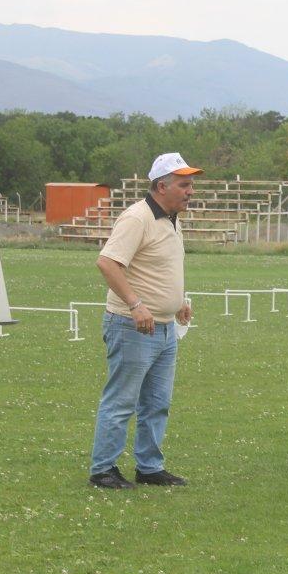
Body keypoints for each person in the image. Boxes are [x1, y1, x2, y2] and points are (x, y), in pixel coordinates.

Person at [87, 152, 199, 489]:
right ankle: (103, 470)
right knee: (121, 401)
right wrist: (136, 305)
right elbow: (107, 263)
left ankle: (149, 467)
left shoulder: (170, 218)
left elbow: (157, 268)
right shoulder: (137, 218)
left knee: (157, 403)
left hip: (164, 328)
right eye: (184, 184)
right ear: (162, 186)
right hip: (133, 326)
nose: (190, 190)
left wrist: (178, 302)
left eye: (191, 184)